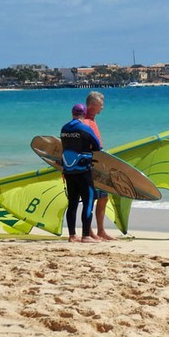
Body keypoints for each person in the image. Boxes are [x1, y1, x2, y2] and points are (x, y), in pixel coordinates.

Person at [60, 103, 103, 243]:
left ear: (72, 113)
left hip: (68, 170)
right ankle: (86, 235)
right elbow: (97, 146)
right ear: (84, 115)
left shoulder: (64, 128)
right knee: (88, 201)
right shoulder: (85, 128)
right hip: (83, 170)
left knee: (72, 203)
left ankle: (72, 235)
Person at [82, 91, 114, 241]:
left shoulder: (93, 119)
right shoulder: (84, 121)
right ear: (92, 105)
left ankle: (101, 231)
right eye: (101, 105)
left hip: (99, 163)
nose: (103, 108)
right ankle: (89, 232)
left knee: (104, 197)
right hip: (90, 164)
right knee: (90, 199)